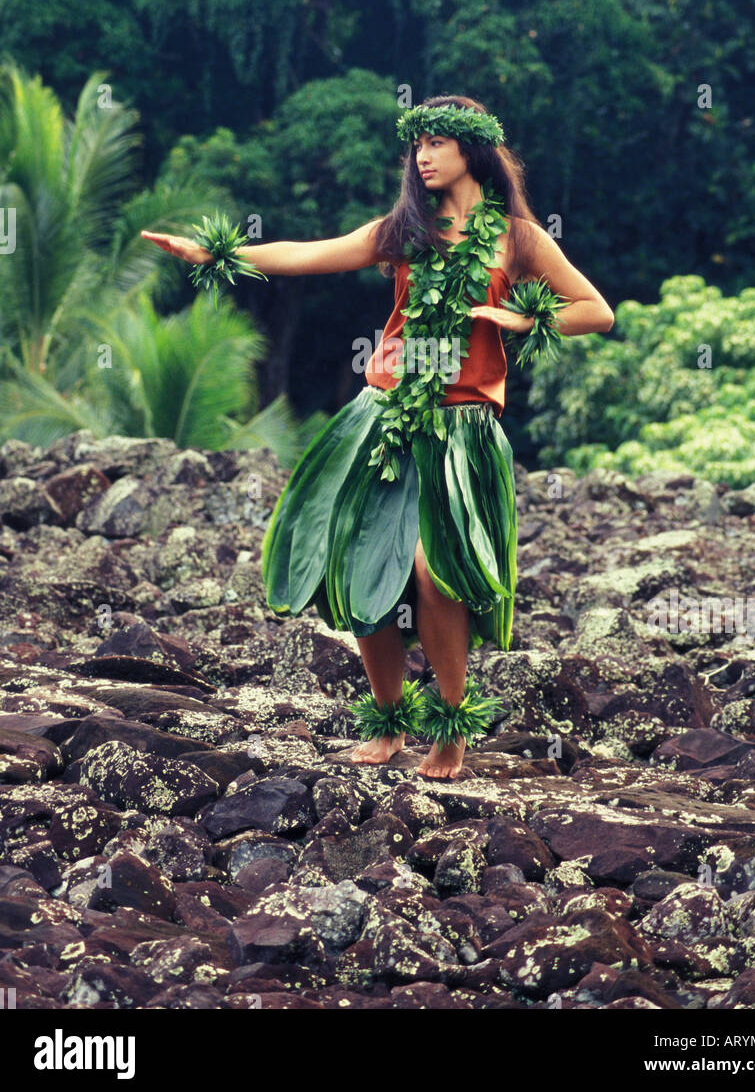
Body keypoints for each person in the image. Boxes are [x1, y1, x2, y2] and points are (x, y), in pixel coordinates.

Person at [142, 94, 614, 781]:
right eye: (414, 145)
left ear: (472, 150)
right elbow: (308, 255)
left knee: (433, 571)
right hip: (383, 415)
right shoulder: (403, 229)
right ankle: (388, 722)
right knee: (365, 563)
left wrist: (519, 320)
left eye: (435, 143)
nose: (421, 156)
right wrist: (215, 253)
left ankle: (450, 727)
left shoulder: (518, 238)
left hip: (462, 428)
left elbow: (594, 311)